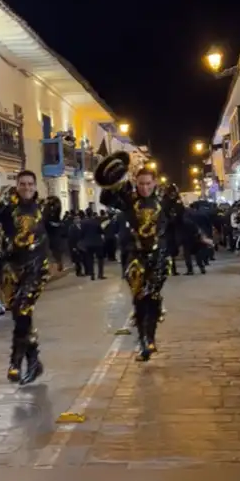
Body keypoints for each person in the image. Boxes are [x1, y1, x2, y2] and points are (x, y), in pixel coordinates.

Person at [0, 171, 55, 384]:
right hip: (12, 270)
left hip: (37, 268)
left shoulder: (44, 208)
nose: (27, 187)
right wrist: (1, 202)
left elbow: (54, 232)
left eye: (30, 184)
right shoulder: (8, 209)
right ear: (16, 186)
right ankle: (34, 361)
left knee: (23, 309)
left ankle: (15, 362)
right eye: (22, 184)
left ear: (36, 187)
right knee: (20, 316)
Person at [96, 153, 171, 361]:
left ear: (154, 183)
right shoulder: (129, 200)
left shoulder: (164, 201)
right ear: (136, 183)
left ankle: (151, 337)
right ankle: (143, 340)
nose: (144, 188)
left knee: (153, 297)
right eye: (140, 184)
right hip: (134, 255)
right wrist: (113, 179)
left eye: (148, 183)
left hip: (159, 256)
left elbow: (180, 222)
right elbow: (106, 198)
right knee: (139, 298)